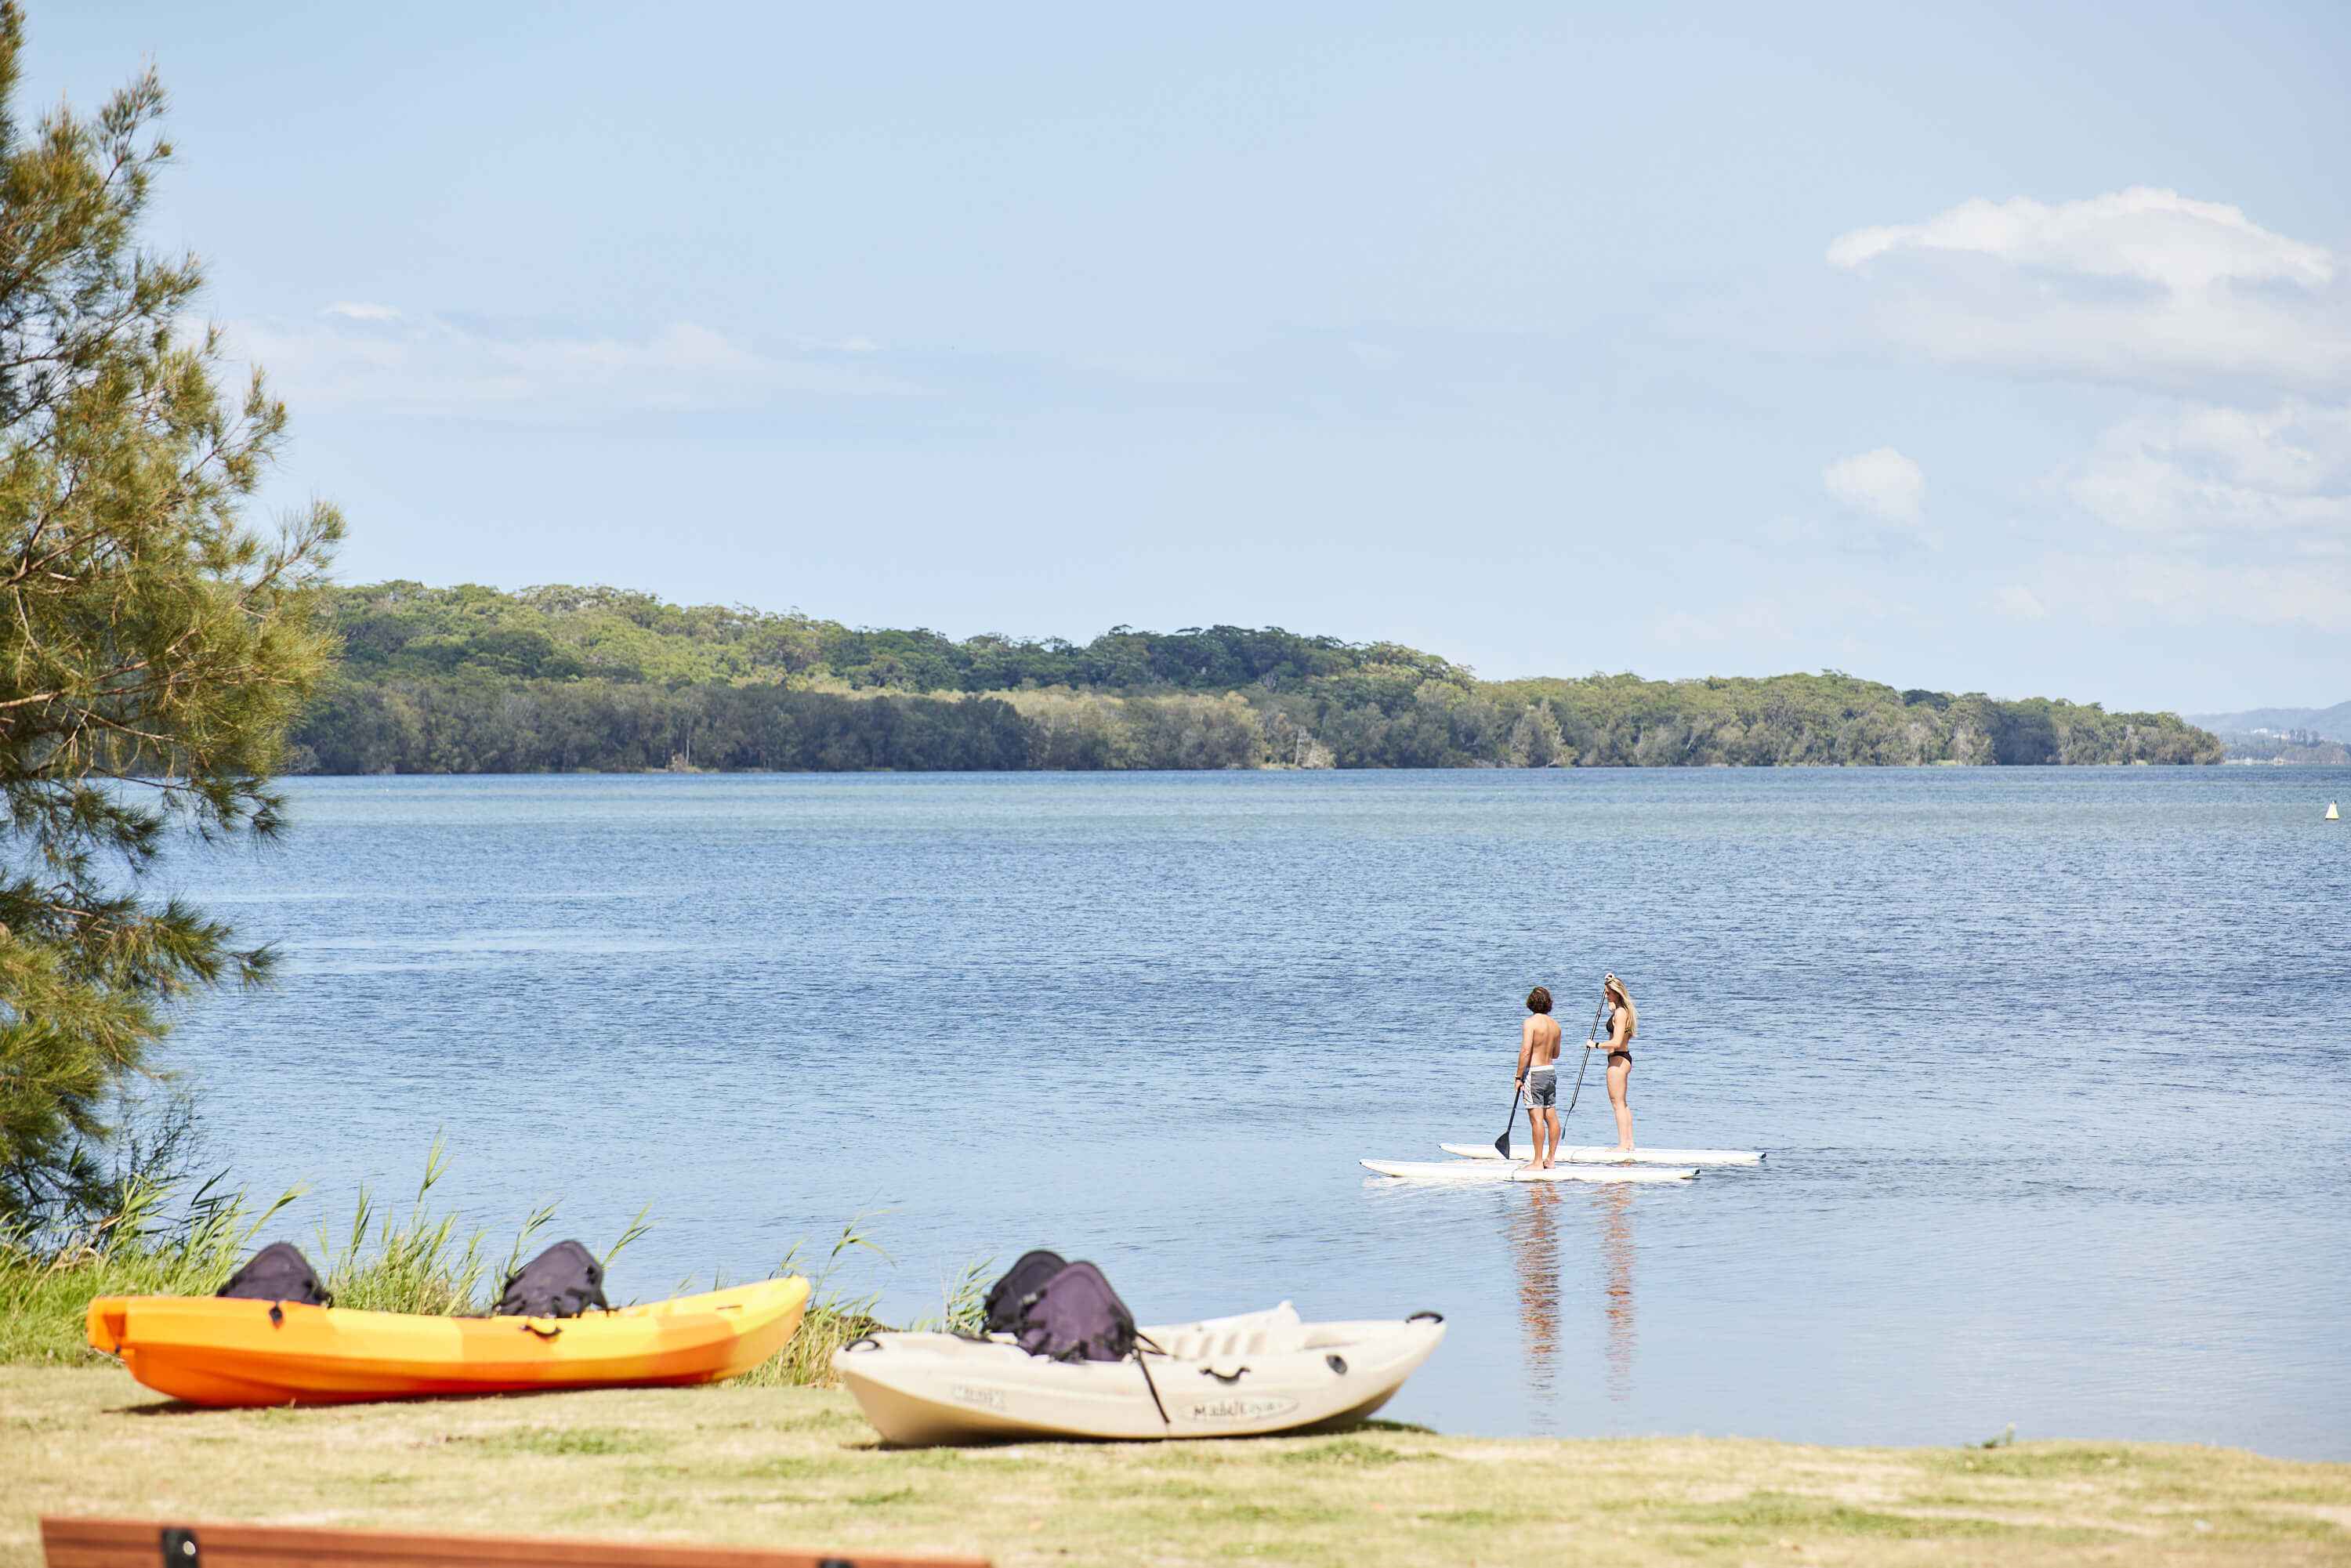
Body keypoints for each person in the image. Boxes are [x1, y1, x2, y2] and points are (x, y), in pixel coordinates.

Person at [1584, 972, 1637, 1153]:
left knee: (1617, 1103)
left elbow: (1616, 1041)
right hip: (1622, 1059)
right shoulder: (1622, 1010)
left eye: (1608, 993)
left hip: (1618, 1060)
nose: (1606, 996)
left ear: (1616, 993)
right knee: (1622, 1102)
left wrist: (1595, 1045)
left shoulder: (1621, 1013)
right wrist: (1609, 980)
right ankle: (1629, 1143)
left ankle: (1623, 1145)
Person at [1513, 986, 1563, 1169]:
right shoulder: (1555, 1025)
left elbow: (1526, 1051)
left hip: (1534, 1073)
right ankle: (1550, 1159)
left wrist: (1519, 1077)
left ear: (1530, 1003)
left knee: (1536, 1118)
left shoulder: (1530, 1023)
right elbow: (1556, 1053)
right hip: (1550, 1071)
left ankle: (1537, 1162)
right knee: (1551, 1116)